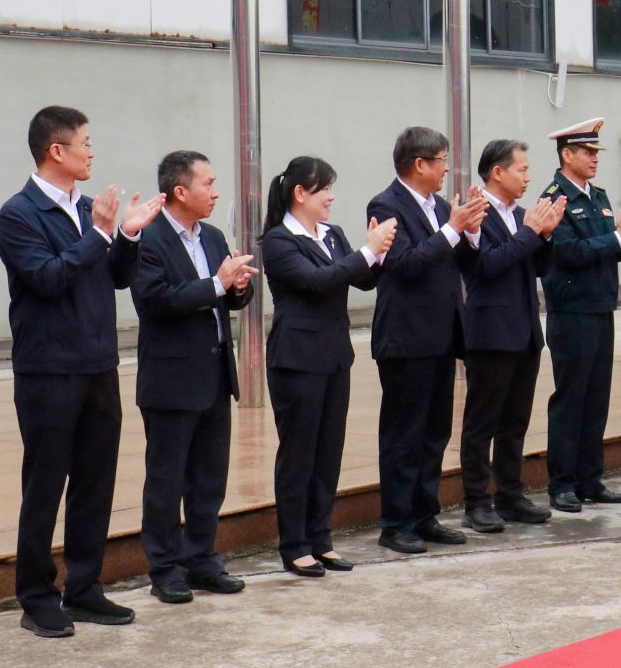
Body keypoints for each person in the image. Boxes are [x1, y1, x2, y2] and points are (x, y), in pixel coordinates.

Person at [0, 106, 165, 638]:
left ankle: (85, 588)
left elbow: (116, 277)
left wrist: (128, 237)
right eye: (85, 143)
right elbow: (47, 278)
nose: (92, 152)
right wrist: (100, 235)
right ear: (56, 150)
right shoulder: (19, 213)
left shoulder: (92, 208)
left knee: (95, 480)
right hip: (48, 369)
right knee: (45, 484)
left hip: (99, 363)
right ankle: (36, 596)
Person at [130, 151, 256, 603]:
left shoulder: (213, 236)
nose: (216, 192)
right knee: (166, 481)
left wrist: (237, 287)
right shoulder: (148, 238)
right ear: (180, 191)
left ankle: (203, 559)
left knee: (208, 479)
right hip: (171, 380)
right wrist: (218, 284)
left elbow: (224, 298)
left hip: (214, 375)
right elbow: (155, 300)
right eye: (208, 183)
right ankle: (166, 568)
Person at [260, 157, 395, 575]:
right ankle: (294, 544)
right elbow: (317, 281)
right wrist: (367, 252)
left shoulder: (331, 234)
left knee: (328, 451)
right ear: (300, 193)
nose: (331, 197)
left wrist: (379, 253)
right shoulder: (279, 240)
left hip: (334, 355)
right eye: (324, 189)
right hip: (297, 359)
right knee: (299, 452)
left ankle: (321, 537)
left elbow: (359, 278)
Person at [367, 127, 486, 555]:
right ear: (419, 164)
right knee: (404, 434)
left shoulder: (440, 206)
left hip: (441, 334)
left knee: (435, 432)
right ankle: (396, 522)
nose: (447, 169)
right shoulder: (386, 205)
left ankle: (424, 514)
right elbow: (403, 264)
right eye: (442, 161)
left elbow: (461, 261)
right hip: (406, 337)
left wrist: (470, 231)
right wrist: (453, 229)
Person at [540, 119, 621, 511]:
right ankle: (562, 483)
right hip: (572, 311)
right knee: (571, 399)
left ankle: (590, 478)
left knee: (597, 397)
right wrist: (617, 235)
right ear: (567, 154)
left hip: (600, 307)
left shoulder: (597, 195)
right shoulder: (555, 198)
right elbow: (570, 252)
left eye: (596, 152)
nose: (594, 158)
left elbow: (610, 250)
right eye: (587, 152)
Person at [458, 139, 562, 528]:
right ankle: (476, 501)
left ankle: (510, 494)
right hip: (490, 333)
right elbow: (486, 266)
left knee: (515, 422)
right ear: (497, 172)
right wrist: (531, 232)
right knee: (481, 422)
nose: (528, 177)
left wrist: (546, 235)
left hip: (525, 332)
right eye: (522, 169)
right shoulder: (476, 213)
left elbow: (540, 268)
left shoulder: (521, 216)